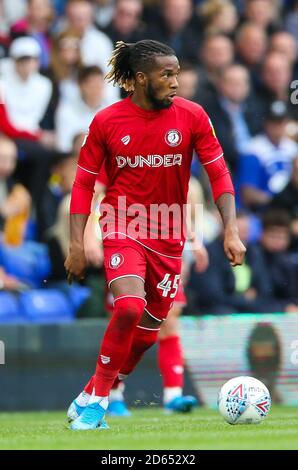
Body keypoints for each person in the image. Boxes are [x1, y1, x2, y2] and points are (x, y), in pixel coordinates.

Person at [64, 39, 246, 431]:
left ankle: (90, 390)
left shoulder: (193, 116)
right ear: (141, 79)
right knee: (128, 307)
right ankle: (97, 405)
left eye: (177, 73)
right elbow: (82, 185)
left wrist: (230, 230)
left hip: (170, 235)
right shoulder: (107, 121)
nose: (176, 82)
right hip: (121, 226)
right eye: (168, 74)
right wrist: (78, 243)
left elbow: (219, 174)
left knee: (147, 335)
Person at [69, 169, 209, 417]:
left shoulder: (169, 149)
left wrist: (192, 239)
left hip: (164, 244)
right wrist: (89, 236)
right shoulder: (117, 143)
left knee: (169, 319)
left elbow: (177, 199)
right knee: (128, 317)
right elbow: (94, 191)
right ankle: (110, 394)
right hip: (125, 241)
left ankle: (173, 395)